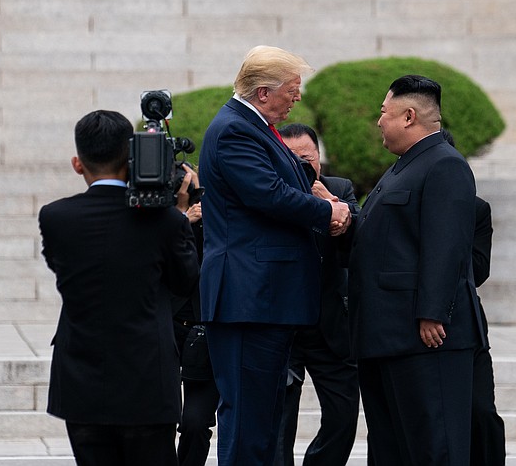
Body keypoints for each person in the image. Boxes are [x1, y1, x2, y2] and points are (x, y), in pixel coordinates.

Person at [198, 45, 352, 466]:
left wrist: (319, 193)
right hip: (249, 297)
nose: (297, 98)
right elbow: (267, 194)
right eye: (292, 89)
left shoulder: (256, 127)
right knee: (249, 420)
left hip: (264, 299)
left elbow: (286, 183)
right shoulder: (234, 129)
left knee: (264, 421)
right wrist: (328, 210)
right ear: (264, 92)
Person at [38, 109, 200, 466]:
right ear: (132, 156)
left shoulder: (55, 217)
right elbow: (185, 281)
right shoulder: (166, 221)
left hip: (80, 381)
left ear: (78, 164)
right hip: (149, 383)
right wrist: (178, 212)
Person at [347, 75, 484, 465]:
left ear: (409, 116)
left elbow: (447, 245)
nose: (378, 123)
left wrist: (432, 312)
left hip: (423, 336)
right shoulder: (404, 167)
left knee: (433, 445)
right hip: (388, 334)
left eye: (383, 113)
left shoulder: (444, 165)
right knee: (394, 447)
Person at [273, 123, 360, 466]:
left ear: (319, 160)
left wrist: (330, 204)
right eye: (290, 160)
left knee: (342, 417)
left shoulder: (339, 188)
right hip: (284, 324)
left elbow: (357, 228)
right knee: (279, 422)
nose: (300, 167)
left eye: (306, 159)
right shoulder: (271, 193)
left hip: (331, 326)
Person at [441, 129, 506, 466]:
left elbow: (479, 270)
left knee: (482, 412)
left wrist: (451, 231)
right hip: (415, 328)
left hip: (465, 324)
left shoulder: (476, 209)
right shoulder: (400, 195)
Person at [171, 179, 221, 466]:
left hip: (205, 329)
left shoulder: (218, 212)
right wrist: (180, 217)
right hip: (168, 326)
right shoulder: (167, 220)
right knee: (157, 420)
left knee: (195, 422)